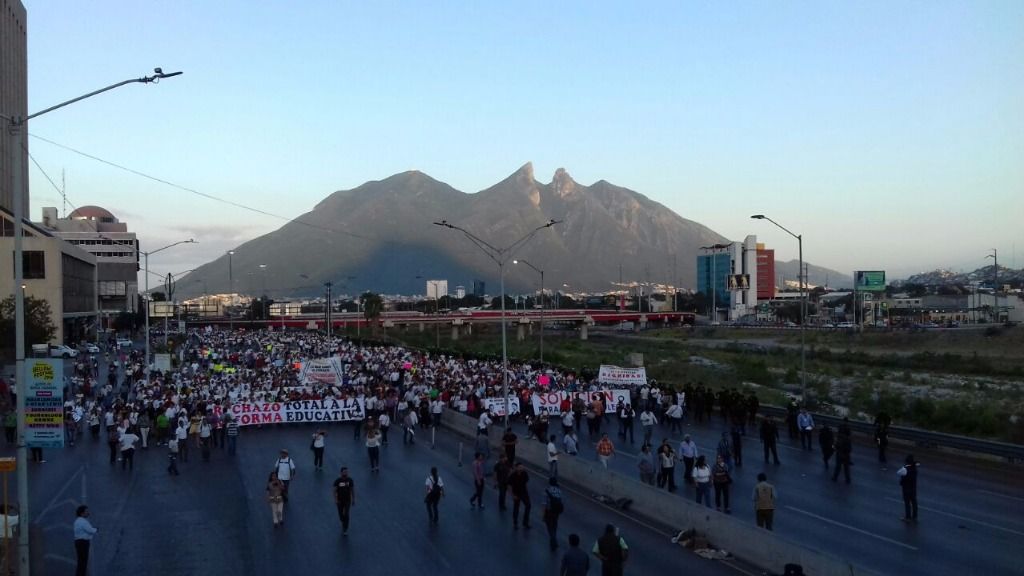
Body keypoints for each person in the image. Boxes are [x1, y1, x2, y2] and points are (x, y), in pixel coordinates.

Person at [73, 505, 97, 576]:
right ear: (82, 513)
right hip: (83, 543)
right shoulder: (83, 521)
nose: (88, 513)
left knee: (81, 562)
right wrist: (96, 529)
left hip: (78, 542)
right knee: (83, 562)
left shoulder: (77, 521)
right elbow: (90, 530)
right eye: (86, 512)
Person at [333, 466, 355, 536]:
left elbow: (352, 490)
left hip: (347, 500)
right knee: (341, 515)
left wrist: (353, 499)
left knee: (347, 514)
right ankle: (343, 521)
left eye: (346, 471)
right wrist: (336, 500)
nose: (346, 473)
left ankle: (345, 528)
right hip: (339, 500)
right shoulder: (338, 481)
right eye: (344, 471)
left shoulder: (350, 480)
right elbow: (334, 491)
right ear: (341, 472)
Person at [509, 461, 532, 529]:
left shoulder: (524, 473)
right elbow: (509, 486)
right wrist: (512, 495)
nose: (521, 468)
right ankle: (515, 523)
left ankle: (525, 523)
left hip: (524, 493)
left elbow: (526, 481)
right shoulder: (513, 475)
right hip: (516, 493)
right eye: (520, 467)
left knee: (528, 506)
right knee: (516, 508)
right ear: (516, 468)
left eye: (522, 467)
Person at [544, 477, 564, 550]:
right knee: (555, 526)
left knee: (549, 527)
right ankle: (553, 540)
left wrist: (543, 514)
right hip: (556, 511)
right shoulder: (559, 491)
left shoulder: (547, 490)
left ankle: (553, 540)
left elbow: (545, 504)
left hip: (549, 511)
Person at [897, 454, 919, 522]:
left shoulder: (905, 469)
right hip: (913, 488)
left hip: (906, 488)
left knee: (907, 503)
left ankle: (908, 517)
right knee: (914, 502)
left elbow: (898, 472)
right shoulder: (914, 468)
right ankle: (915, 516)